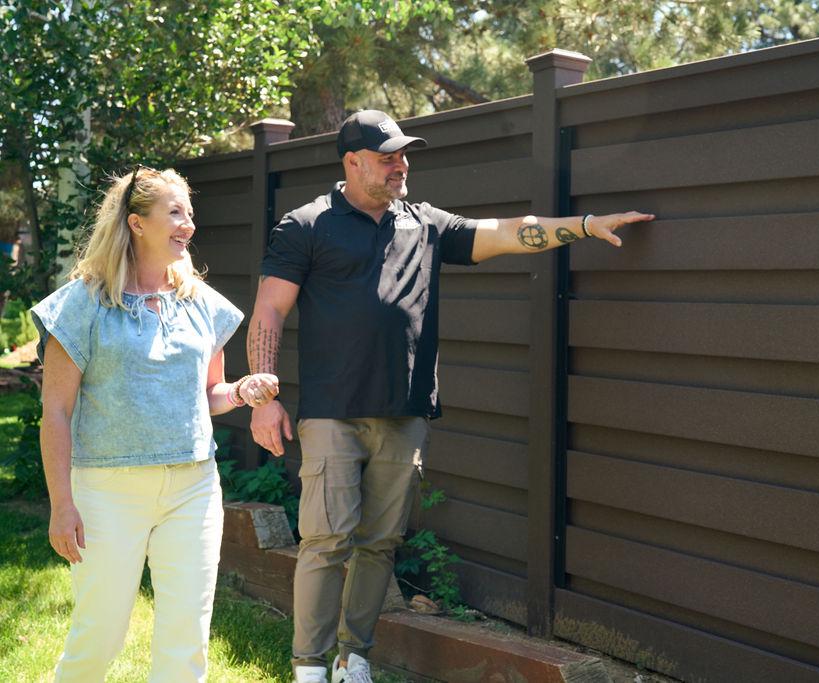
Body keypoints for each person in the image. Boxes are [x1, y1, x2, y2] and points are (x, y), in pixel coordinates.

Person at [246, 110, 654, 683]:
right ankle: (309, 667)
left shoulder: (426, 223)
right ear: (353, 162)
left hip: (406, 412)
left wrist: (585, 224)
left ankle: (352, 657)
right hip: (333, 411)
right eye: (388, 157)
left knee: (380, 542)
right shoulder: (307, 224)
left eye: (404, 155)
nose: (401, 165)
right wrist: (263, 395)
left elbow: (511, 232)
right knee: (326, 540)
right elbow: (268, 311)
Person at [33, 166, 279, 682]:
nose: (187, 223)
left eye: (190, 213)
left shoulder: (201, 304)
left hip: (193, 488)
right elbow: (55, 411)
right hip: (106, 490)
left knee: (186, 640)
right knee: (99, 637)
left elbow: (207, 396)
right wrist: (62, 504)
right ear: (136, 222)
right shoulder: (83, 303)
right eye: (174, 212)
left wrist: (241, 392)